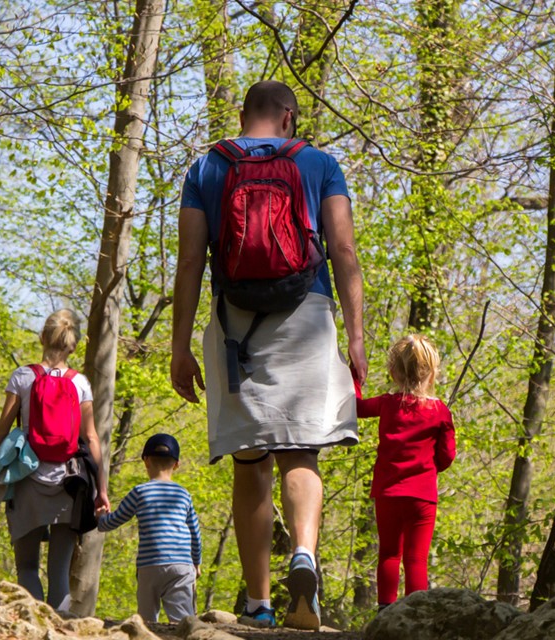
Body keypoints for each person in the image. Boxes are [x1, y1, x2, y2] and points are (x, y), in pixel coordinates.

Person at [170, 80, 365, 630]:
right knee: (301, 454)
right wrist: (355, 336)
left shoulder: (208, 167)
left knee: (250, 462)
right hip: (306, 314)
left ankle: (258, 604)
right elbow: (343, 249)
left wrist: (181, 346)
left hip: (237, 327)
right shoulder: (319, 164)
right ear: (289, 117)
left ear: (242, 115)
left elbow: (190, 261)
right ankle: (304, 554)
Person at [0, 310, 110, 611]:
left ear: (42, 337)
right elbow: (92, 438)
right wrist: (102, 491)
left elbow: (1, 430)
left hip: (26, 481)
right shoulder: (80, 382)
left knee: (28, 567)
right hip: (70, 486)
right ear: (74, 345)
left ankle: (34, 627)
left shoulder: (23, 377)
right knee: (59, 572)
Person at [355, 334, 456, 609]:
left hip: (388, 493)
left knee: (389, 554)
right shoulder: (440, 411)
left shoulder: (387, 403)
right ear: (432, 372)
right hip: (422, 497)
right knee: (416, 559)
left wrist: (354, 376)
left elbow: (357, 408)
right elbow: (447, 457)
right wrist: (429, 468)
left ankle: (385, 609)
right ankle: (415, 613)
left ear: (393, 372)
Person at [95, 434, 201, 624]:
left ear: (146, 461)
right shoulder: (184, 495)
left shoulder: (139, 492)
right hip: (182, 566)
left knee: (147, 622)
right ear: (177, 464)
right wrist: (197, 562)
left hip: (149, 565)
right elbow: (195, 533)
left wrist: (101, 517)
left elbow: (112, 522)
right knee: (183, 622)